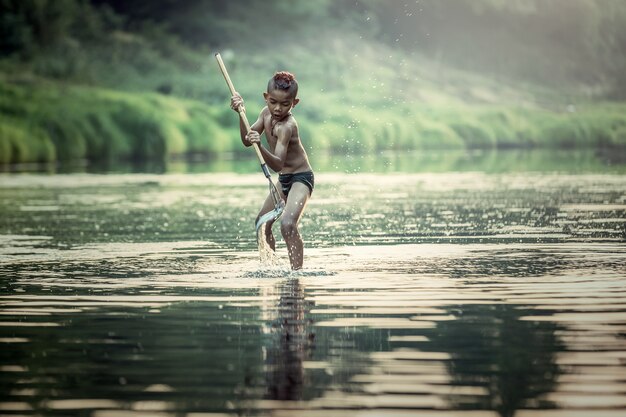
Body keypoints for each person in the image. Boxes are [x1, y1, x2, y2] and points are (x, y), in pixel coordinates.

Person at [230, 71, 314, 270]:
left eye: (285, 104)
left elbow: (276, 164)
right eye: (273, 102)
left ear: (295, 103)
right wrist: (240, 114)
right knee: (262, 223)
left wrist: (259, 146)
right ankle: (271, 268)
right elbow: (246, 140)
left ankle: (296, 275)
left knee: (287, 224)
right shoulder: (265, 113)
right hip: (284, 179)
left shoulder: (287, 126)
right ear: (266, 97)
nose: (278, 108)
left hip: (300, 178)